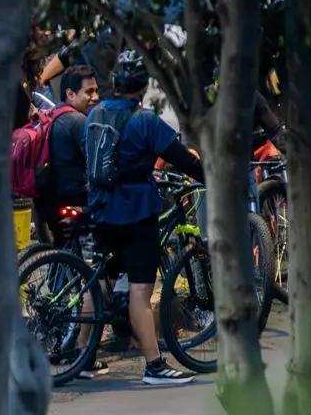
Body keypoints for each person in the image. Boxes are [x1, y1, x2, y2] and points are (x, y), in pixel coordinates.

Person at [84, 50, 205, 385]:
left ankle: (82, 356)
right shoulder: (145, 121)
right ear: (142, 86)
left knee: (95, 285)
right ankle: (154, 366)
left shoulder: (96, 112)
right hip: (135, 214)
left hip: (99, 209)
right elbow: (183, 159)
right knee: (140, 290)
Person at [36, 64, 101, 247]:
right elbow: (99, 158)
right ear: (70, 94)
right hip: (72, 198)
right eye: (88, 92)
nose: (95, 97)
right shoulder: (77, 120)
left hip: (48, 199)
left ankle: (60, 274)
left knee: (64, 252)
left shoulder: (53, 113)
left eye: (96, 91)